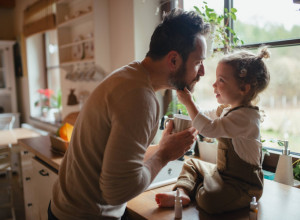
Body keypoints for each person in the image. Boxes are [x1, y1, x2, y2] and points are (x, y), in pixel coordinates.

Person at [49, 9, 210, 219]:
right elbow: (117, 191)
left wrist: (162, 148)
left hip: (66, 208)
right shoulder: (140, 99)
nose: (203, 72)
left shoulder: (130, 77)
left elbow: (121, 160)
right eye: (198, 62)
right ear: (173, 60)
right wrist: (164, 155)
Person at [155, 47, 271, 214]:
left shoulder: (246, 118)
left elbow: (209, 129)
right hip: (222, 175)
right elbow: (202, 116)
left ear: (243, 89)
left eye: (221, 80)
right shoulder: (228, 110)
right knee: (191, 163)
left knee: (209, 201)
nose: (214, 84)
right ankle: (182, 193)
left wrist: (188, 103)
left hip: (243, 186)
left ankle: (193, 189)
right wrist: (189, 100)